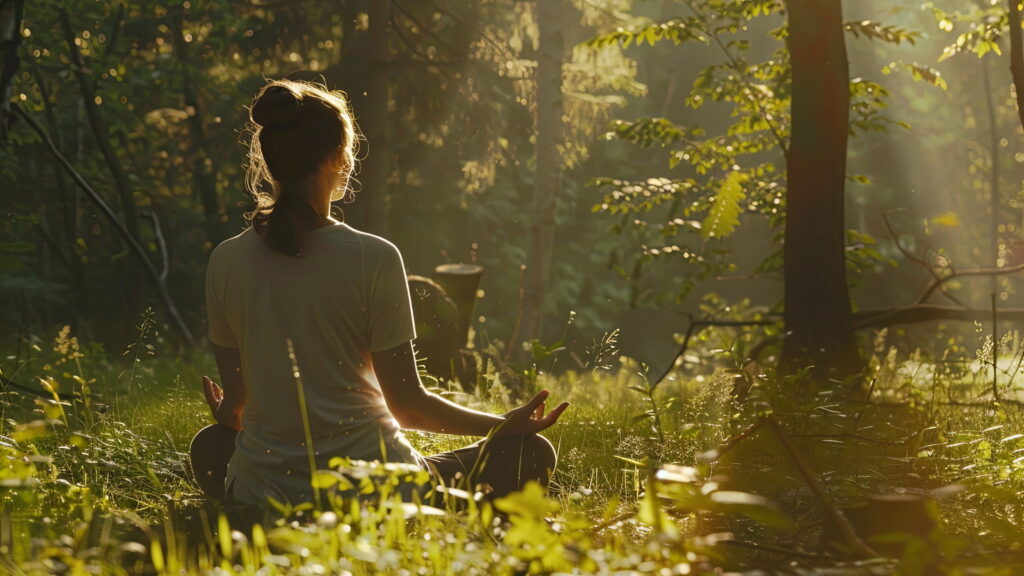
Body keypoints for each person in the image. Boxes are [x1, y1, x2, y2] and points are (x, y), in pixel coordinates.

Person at [189, 79, 568, 510]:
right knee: (531, 455)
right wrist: (503, 425)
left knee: (210, 445)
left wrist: (227, 414)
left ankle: (266, 510)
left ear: (271, 160)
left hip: (265, 493)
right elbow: (408, 407)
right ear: (339, 157)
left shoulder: (225, 259)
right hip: (377, 492)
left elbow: (237, 410)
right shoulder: (374, 256)